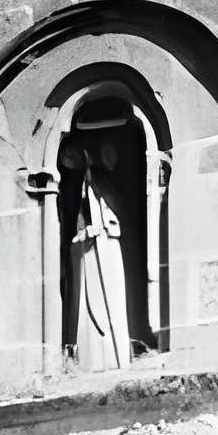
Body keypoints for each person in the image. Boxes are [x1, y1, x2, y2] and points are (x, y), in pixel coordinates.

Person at [63, 137, 133, 370]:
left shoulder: (98, 181)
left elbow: (114, 215)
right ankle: (89, 359)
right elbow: (75, 220)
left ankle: (115, 357)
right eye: (67, 158)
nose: (70, 162)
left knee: (109, 303)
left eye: (73, 156)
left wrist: (99, 228)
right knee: (84, 304)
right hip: (86, 256)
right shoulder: (73, 184)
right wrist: (82, 235)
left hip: (105, 251)